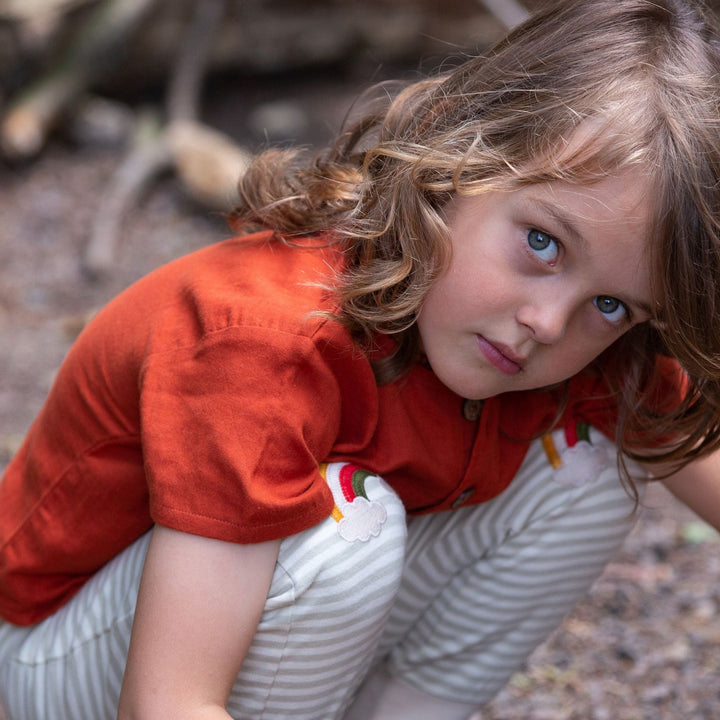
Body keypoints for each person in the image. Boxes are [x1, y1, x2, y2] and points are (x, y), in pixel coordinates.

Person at [2, 0, 720, 718]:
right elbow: (166, 704)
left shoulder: (577, 338)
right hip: (50, 657)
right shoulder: (264, 348)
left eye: (613, 305)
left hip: (248, 621)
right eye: (541, 242)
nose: (548, 321)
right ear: (459, 158)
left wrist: (595, 296)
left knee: (587, 465)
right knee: (345, 526)